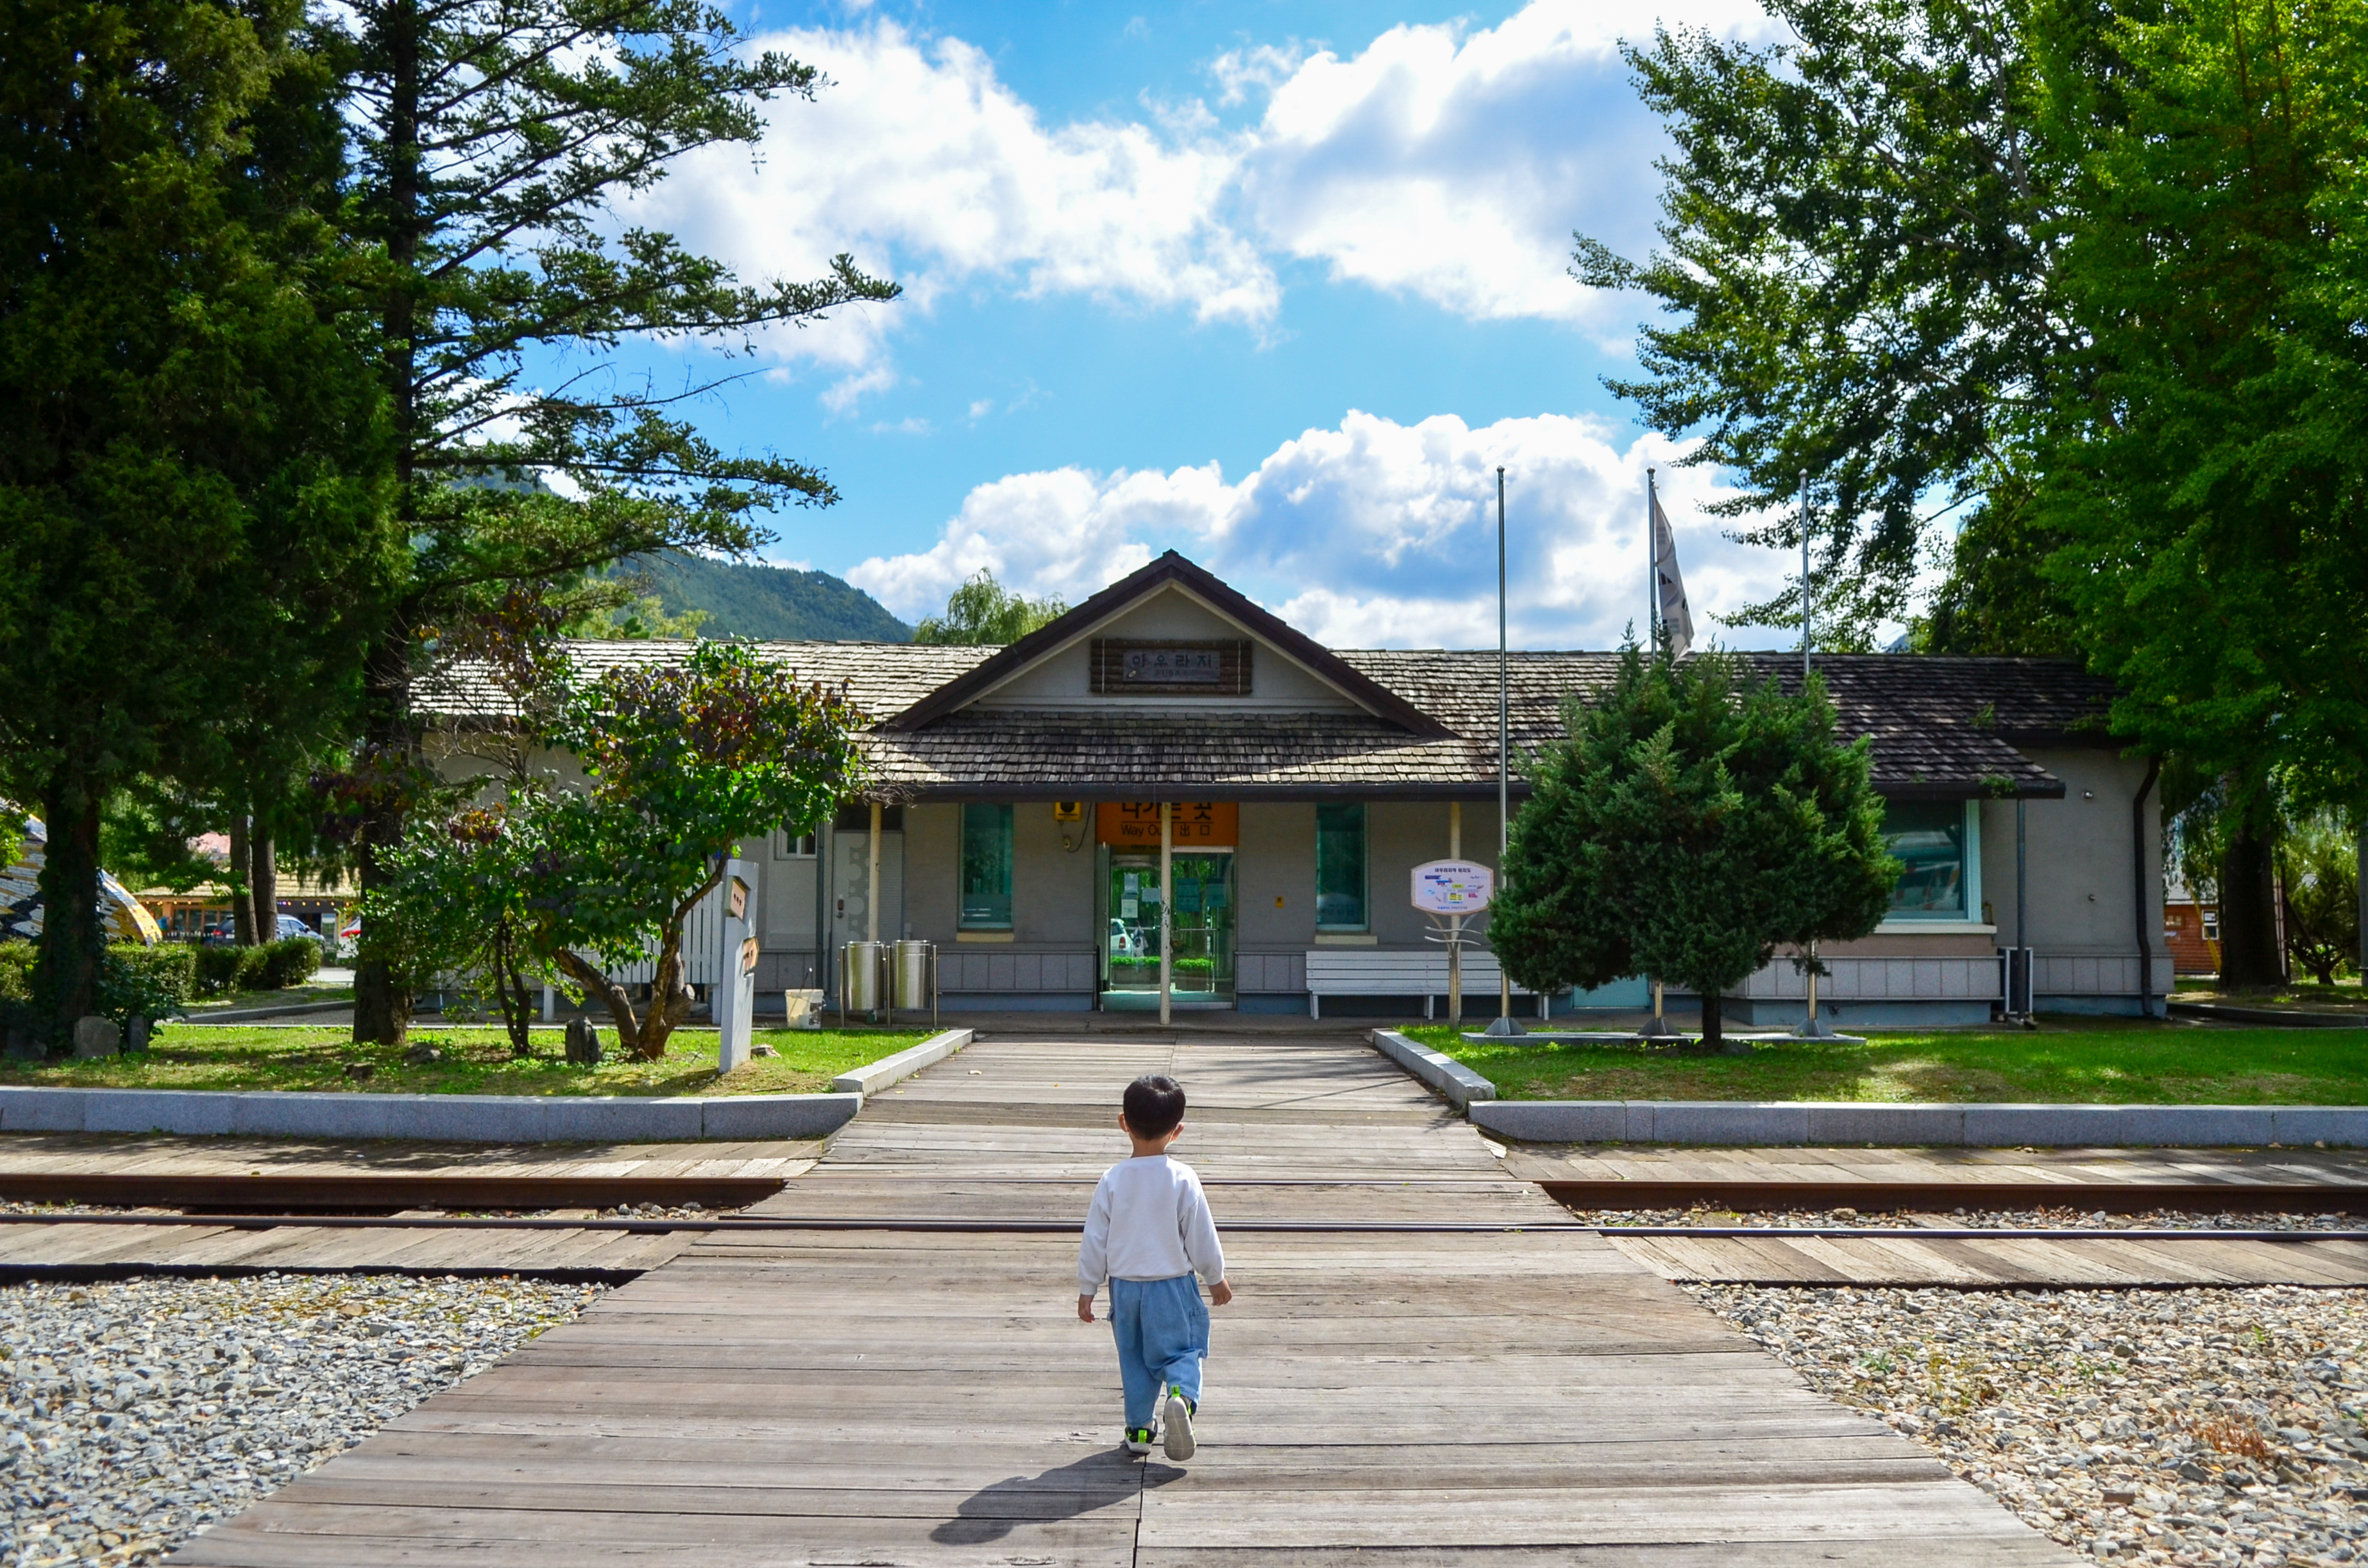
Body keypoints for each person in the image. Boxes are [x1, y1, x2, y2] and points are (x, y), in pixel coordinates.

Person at [1076, 1073, 1232, 1460]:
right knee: (1182, 1351)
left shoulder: (1112, 1180)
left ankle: (1140, 1432)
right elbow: (1201, 1235)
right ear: (1177, 1131)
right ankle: (1180, 1395)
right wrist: (1215, 1278)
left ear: (1123, 1123)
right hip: (1172, 1287)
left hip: (1125, 1290)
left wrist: (1087, 1288)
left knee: (1134, 1362)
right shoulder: (1182, 1178)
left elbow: (1095, 1238)